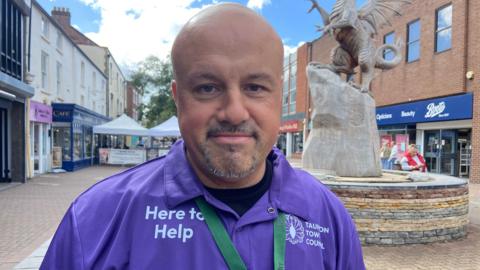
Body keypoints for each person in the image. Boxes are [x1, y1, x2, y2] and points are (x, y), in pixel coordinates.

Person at [40, 3, 365, 269]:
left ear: (278, 98)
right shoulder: (96, 220)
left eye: (255, 87)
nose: (235, 112)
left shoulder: (327, 216)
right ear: (178, 98)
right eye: (207, 87)